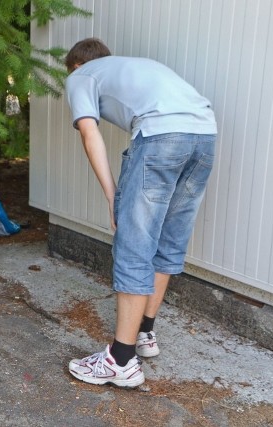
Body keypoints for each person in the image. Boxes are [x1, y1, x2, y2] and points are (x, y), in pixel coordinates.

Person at [64, 38, 217, 388]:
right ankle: (145, 333)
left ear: (76, 66)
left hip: (163, 137)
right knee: (167, 240)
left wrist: (111, 195)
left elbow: (90, 134)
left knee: (134, 244)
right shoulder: (134, 66)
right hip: (205, 134)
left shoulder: (80, 75)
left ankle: (120, 360)